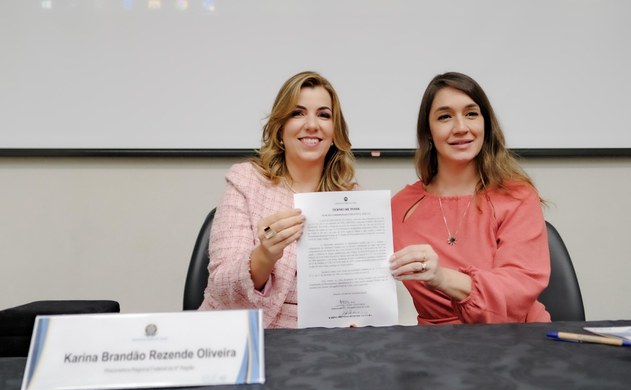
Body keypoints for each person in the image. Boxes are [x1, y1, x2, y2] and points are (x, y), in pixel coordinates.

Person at [389, 72, 551, 324]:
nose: (461, 127)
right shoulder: (399, 207)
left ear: (485, 123)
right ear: (428, 132)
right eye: (445, 117)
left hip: (517, 339)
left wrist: (442, 278)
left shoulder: (517, 196)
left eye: (471, 114)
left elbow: (519, 286)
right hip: (435, 350)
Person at [198, 71, 357, 328]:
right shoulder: (246, 181)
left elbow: (357, 294)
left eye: (324, 115)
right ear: (280, 128)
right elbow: (221, 286)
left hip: (325, 343)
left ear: (335, 133)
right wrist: (265, 255)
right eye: (297, 113)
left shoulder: (353, 201)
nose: (312, 124)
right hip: (241, 333)